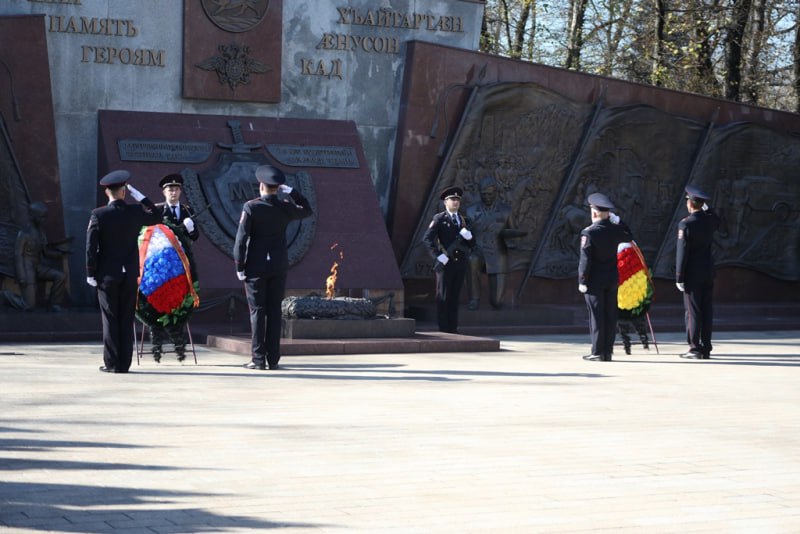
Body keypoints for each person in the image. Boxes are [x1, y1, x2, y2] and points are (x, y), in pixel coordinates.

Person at [234, 164, 313, 370]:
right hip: (278, 266)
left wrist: (239, 265)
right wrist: (293, 192)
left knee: (258, 312)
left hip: (255, 267)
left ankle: (258, 359)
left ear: (261, 186)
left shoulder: (252, 207)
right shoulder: (285, 207)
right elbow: (307, 209)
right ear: (278, 188)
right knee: (274, 312)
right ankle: (273, 359)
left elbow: (241, 240)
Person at [86, 170, 162, 373]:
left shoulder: (99, 214)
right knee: (127, 318)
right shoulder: (136, 212)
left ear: (107, 193)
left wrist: (90, 273)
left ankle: (112, 363)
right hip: (129, 274)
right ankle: (125, 363)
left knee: (110, 319)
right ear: (124, 192)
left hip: (107, 275)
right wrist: (142, 197)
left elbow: (91, 247)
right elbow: (157, 216)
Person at [147, 173, 199, 363]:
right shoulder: (158, 211)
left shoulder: (187, 210)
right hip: (162, 265)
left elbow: (195, 238)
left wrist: (191, 228)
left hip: (182, 263)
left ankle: (179, 336)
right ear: (164, 192)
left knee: (181, 300)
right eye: (170, 189)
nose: (173, 192)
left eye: (176, 189)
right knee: (157, 298)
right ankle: (156, 334)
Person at [578, 192, 632, 361]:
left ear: (594, 213)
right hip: (611, 279)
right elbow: (629, 236)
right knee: (610, 316)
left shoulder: (589, 233)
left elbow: (585, 259)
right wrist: (619, 221)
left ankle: (597, 352)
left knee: (597, 316)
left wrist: (582, 280)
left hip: (594, 281)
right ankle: (607, 352)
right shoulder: (615, 230)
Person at [465, 176, 524, 310]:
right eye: (483, 194)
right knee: (471, 259)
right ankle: (474, 298)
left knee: (497, 303)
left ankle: (496, 300)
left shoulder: (506, 211)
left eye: (490, 194)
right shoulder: (471, 211)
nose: (487, 197)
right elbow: (466, 234)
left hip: (497, 253)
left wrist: (513, 242)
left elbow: (513, 231)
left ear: (496, 193)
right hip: (478, 251)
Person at [676, 185, 720, 359]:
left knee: (693, 311)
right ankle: (706, 347)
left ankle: (694, 348)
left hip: (692, 274)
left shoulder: (686, 224)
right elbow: (716, 219)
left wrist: (679, 276)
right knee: (706, 310)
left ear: (689, 204)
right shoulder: (709, 221)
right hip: (708, 272)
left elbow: (682, 252)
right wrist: (707, 208)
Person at [423, 186, 475, 333]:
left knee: (454, 296)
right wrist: (438, 255)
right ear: (445, 202)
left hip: (460, 264)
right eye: (452, 199)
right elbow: (427, 239)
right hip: (445, 263)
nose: (455, 202)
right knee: (443, 296)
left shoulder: (465, 220)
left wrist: (469, 237)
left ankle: (453, 327)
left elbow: (473, 244)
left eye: (457, 200)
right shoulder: (440, 218)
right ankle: (444, 328)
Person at [15, 201, 68, 311]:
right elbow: (18, 255)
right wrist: (21, 275)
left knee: (60, 276)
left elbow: (45, 252)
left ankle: (54, 304)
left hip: (38, 268)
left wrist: (61, 254)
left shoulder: (41, 233)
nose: (44, 220)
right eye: (41, 217)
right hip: (27, 270)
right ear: (33, 216)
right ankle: (5, 296)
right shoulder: (24, 234)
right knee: (29, 306)